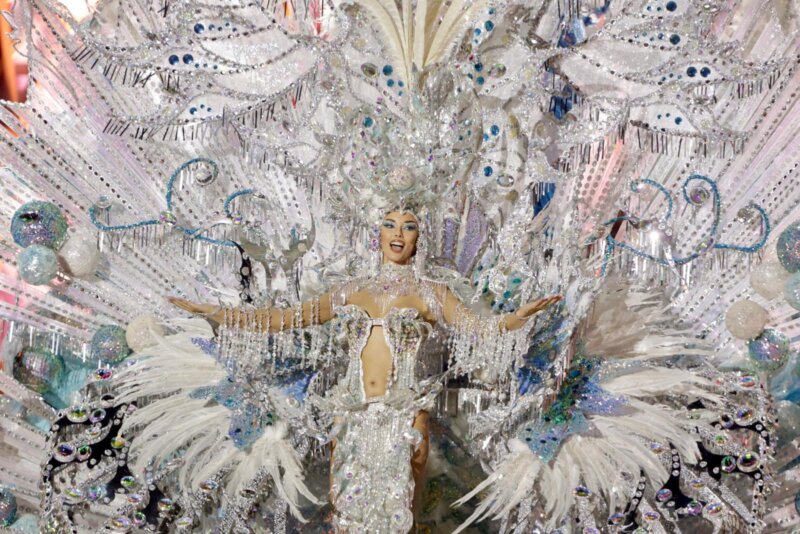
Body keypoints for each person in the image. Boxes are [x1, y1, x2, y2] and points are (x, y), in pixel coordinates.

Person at [170, 209, 561, 532]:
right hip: (352, 415)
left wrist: (518, 318)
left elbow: (480, 328)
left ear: (419, 239)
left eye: (409, 227)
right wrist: (220, 314)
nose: (398, 233)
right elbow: (285, 318)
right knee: (348, 517)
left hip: (405, 415)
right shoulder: (349, 291)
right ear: (379, 234)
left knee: (399, 515)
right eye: (390, 224)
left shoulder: (432, 293)